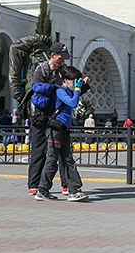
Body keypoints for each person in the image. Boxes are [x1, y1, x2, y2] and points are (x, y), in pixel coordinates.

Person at [36, 65, 89, 202]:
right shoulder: (60, 91)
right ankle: (42, 190)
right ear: (66, 80)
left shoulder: (68, 91)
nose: (75, 83)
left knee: (68, 159)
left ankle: (74, 190)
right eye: (74, 81)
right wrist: (78, 89)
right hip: (55, 129)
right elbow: (73, 103)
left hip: (63, 129)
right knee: (52, 159)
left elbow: (75, 97)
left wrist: (83, 85)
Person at [26, 42, 70, 195]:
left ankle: (67, 184)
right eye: (60, 58)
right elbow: (36, 87)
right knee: (39, 149)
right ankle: (34, 184)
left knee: (60, 151)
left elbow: (69, 89)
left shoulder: (63, 71)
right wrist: (55, 88)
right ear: (53, 55)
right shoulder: (41, 69)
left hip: (56, 116)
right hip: (40, 115)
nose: (62, 61)